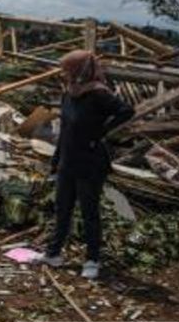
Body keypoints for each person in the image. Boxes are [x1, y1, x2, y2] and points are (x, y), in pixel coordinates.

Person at [41, 49, 134, 279]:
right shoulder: (69, 94)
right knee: (62, 209)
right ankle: (53, 253)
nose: (64, 74)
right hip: (68, 161)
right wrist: (55, 162)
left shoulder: (98, 94)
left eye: (68, 69)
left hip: (91, 163)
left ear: (79, 70)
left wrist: (101, 132)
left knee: (89, 212)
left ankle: (92, 260)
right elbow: (65, 131)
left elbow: (127, 111)